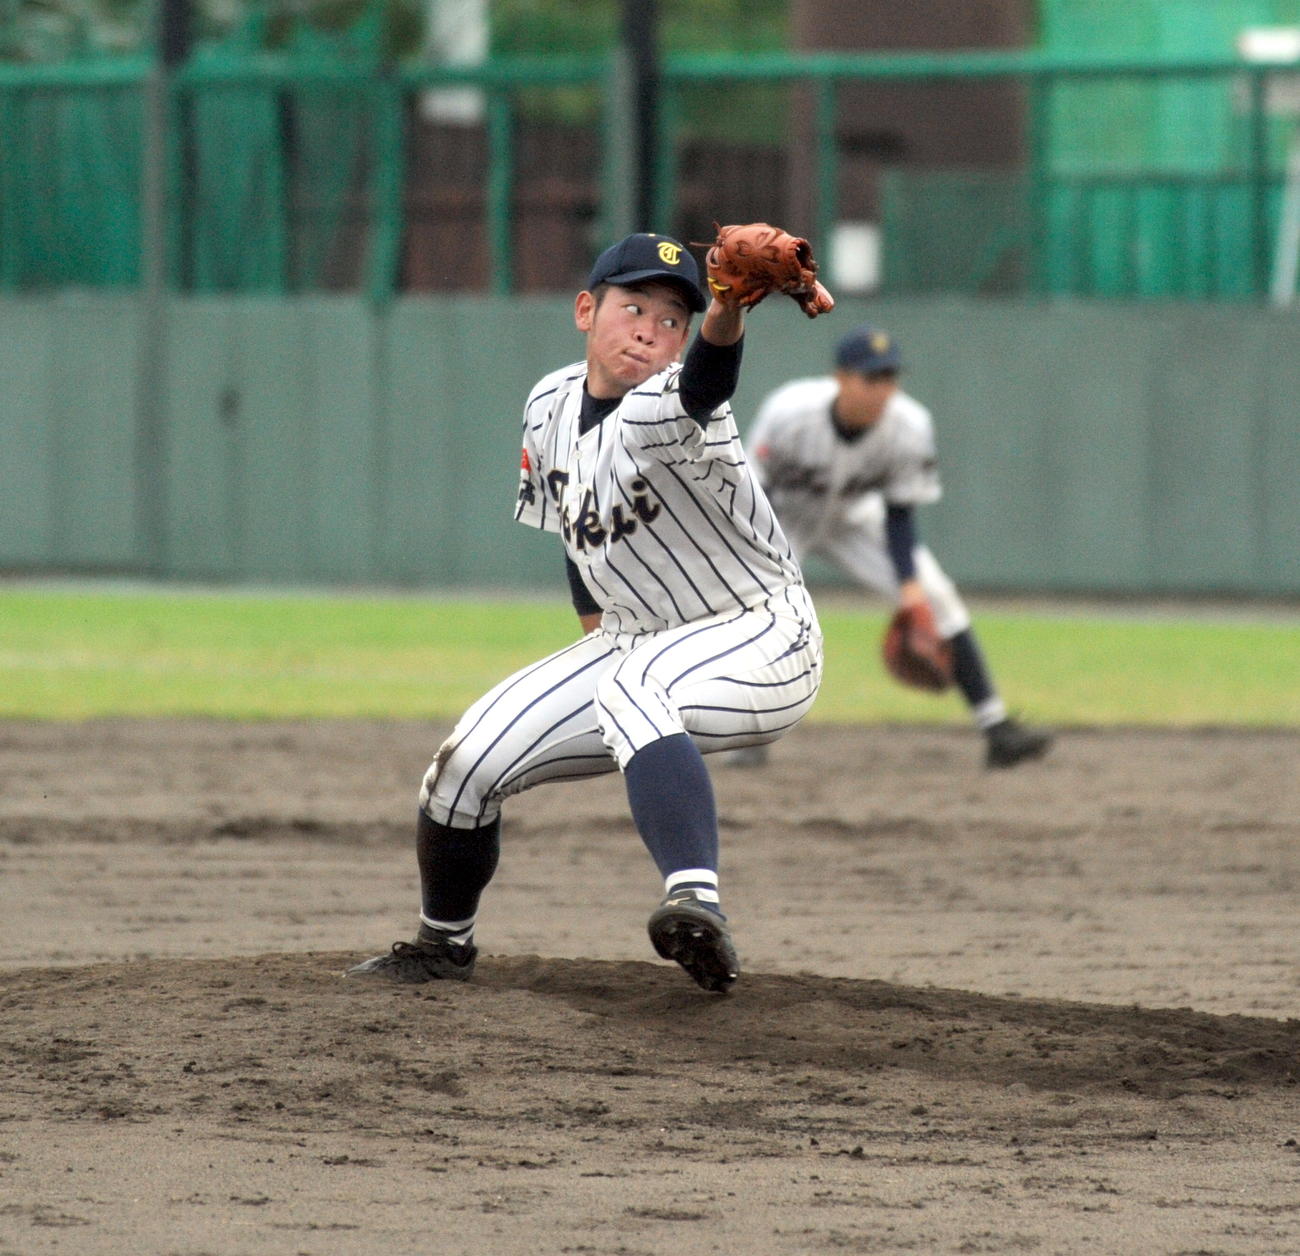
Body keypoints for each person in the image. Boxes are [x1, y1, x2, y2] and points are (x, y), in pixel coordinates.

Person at [347, 231, 825, 993]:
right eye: (633, 307)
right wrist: (593, 646)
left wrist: (727, 310)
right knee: (463, 765)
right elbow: (572, 530)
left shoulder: (671, 405)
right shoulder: (548, 403)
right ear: (584, 311)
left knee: (634, 690)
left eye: (671, 319)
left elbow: (707, 377)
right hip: (637, 640)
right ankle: (445, 943)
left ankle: (696, 901)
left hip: (759, 632)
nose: (649, 329)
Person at [731, 323, 1052, 771]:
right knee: (760, 613)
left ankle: (996, 729)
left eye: (890, 378)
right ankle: (750, 736)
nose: (883, 390)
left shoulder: (909, 423)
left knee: (936, 597)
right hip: (782, 519)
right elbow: (749, 495)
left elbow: (900, 514)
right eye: (872, 378)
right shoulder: (789, 412)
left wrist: (911, 590)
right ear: (841, 378)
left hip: (854, 518)